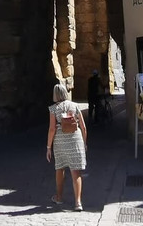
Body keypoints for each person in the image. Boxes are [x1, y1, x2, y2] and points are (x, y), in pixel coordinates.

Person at [46, 82, 87, 211]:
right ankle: (78, 202)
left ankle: (58, 197)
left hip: (60, 141)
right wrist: (84, 143)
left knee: (60, 168)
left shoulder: (53, 109)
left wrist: (48, 147)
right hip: (75, 140)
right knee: (76, 171)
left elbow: (52, 129)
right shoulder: (75, 106)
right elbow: (83, 127)